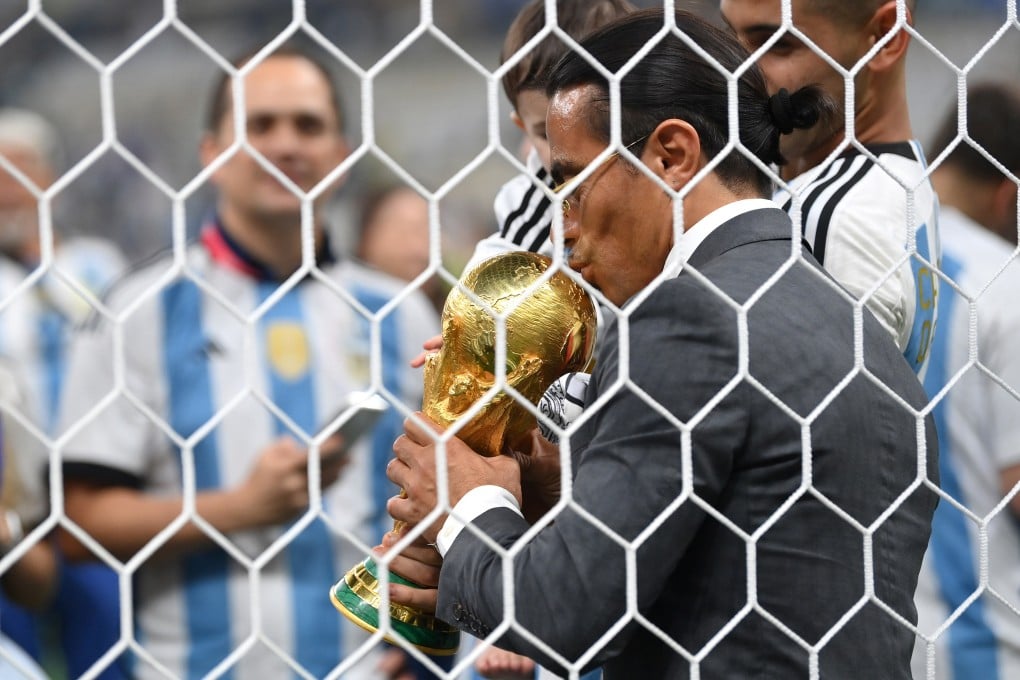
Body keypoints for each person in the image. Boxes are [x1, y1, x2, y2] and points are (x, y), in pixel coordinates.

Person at [384, 9, 937, 678]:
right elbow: (748, 548)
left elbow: (565, 617)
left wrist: (465, 505)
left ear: (671, 154)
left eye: (568, 183)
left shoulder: (687, 319)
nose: (561, 228)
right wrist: (565, 492)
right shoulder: (849, 329)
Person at [57, 45, 440, 679]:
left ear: (341, 156)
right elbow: (78, 525)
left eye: (308, 125)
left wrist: (425, 629)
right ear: (211, 153)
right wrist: (239, 508)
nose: (286, 144)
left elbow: (437, 502)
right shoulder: (140, 310)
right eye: (261, 125)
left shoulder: (400, 314)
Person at [719, 0, 940, 377]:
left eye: (776, 43)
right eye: (729, 38)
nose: (736, 74)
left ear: (885, 37)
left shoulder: (832, 217)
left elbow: (820, 426)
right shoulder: (900, 181)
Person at [0, 107, 126, 679]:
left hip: (91, 494)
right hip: (13, 507)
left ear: (48, 177)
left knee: (109, 640)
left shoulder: (97, 266)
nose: (7, 186)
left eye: (19, 167)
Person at [911, 82, 1020, 680]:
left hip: (869, 642)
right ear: (1010, 196)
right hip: (984, 648)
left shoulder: (866, 249)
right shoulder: (1004, 282)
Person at [463, 0, 635, 274]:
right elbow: (492, 277)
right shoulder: (535, 201)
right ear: (523, 129)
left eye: (595, 125)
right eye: (546, 134)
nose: (568, 149)